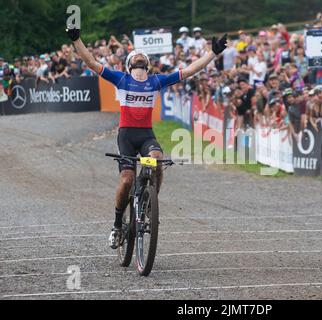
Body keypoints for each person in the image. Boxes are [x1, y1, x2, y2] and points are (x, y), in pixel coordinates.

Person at [66, 25, 228, 249]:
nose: (141, 58)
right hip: (126, 136)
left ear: (148, 65)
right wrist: (77, 40)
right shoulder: (121, 79)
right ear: (130, 64)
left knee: (156, 159)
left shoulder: (156, 81)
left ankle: (151, 200)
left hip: (145, 136)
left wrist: (213, 53)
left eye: (144, 57)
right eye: (137, 56)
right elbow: (93, 63)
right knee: (127, 179)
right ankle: (116, 225)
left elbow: (189, 70)